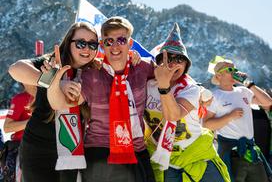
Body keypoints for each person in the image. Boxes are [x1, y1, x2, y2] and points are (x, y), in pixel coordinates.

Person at [48, 16, 155, 182]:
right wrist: (55, 82)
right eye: (108, 41)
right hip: (101, 152)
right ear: (102, 46)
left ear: (130, 43)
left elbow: (170, 74)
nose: (115, 46)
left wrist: (199, 93)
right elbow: (59, 104)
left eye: (121, 40)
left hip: (137, 151)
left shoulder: (143, 67)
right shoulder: (91, 75)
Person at [8, 21, 100, 182]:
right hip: (37, 147)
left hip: (71, 149)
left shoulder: (94, 73)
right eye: (80, 43)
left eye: (92, 44)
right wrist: (50, 80)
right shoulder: (51, 63)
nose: (87, 48)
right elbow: (15, 69)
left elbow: (62, 103)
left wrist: (57, 84)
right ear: (68, 42)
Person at [144, 23, 230, 182]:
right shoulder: (147, 85)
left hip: (195, 155)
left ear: (185, 66)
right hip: (164, 159)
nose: (172, 63)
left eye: (179, 59)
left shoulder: (191, 89)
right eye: (167, 57)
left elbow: (174, 115)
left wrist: (164, 86)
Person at [203, 58, 272, 181]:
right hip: (230, 151)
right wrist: (229, 116)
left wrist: (249, 84)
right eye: (230, 70)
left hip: (250, 148)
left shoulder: (244, 91)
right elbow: (207, 124)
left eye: (235, 69)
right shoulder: (214, 95)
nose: (234, 72)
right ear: (219, 75)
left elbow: (267, 102)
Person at [2, 83, 36, 182]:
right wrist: (33, 121)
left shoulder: (49, 97)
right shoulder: (20, 99)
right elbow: (7, 127)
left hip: (45, 147)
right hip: (21, 149)